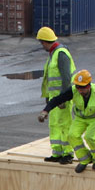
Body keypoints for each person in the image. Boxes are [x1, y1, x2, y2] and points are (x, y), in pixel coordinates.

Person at [38, 69, 95, 174]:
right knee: (72, 135)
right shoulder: (73, 90)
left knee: (90, 137)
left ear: (89, 85)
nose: (80, 90)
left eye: (82, 87)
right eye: (78, 86)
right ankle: (85, 159)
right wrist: (45, 111)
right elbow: (57, 99)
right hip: (81, 118)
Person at [37, 26, 76, 165]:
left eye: (42, 42)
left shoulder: (61, 54)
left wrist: (63, 98)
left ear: (46, 41)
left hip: (61, 98)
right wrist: (49, 99)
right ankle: (57, 152)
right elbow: (51, 80)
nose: (42, 45)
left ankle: (68, 153)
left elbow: (66, 77)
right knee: (54, 125)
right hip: (54, 99)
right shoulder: (53, 55)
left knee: (65, 124)